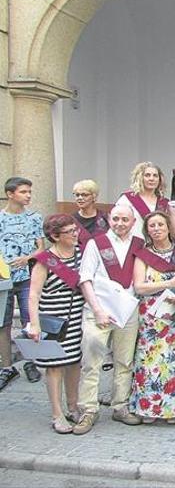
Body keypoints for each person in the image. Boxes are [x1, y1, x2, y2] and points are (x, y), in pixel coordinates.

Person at [73, 204, 144, 434]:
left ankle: (120, 405)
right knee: (92, 360)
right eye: (116, 219)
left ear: (133, 222)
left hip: (127, 310)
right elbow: (85, 278)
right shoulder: (96, 244)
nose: (120, 223)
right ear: (109, 220)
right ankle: (88, 409)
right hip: (99, 310)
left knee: (125, 360)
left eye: (125, 219)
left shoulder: (139, 244)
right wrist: (97, 309)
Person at [26, 214, 85, 433]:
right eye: (70, 232)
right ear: (55, 236)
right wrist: (34, 324)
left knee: (75, 362)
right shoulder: (45, 260)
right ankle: (57, 413)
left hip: (77, 317)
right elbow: (34, 294)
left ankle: (73, 405)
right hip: (53, 320)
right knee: (55, 367)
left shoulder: (81, 253)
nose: (75, 234)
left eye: (75, 230)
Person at [130, 211, 175, 424]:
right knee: (149, 361)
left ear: (168, 227)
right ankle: (148, 409)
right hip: (152, 317)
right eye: (152, 225)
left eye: (160, 224)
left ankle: (172, 409)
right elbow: (140, 286)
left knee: (174, 361)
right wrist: (168, 284)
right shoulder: (143, 254)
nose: (156, 229)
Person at [1, 177, 45, 389]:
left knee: (30, 320)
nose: (28, 195)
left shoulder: (34, 218)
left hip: (27, 275)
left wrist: (27, 258)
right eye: (23, 192)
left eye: (29, 191)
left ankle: (30, 361)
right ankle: (7, 367)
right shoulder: (0, 218)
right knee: (4, 322)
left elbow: (41, 248)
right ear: (10, 194)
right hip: (4, 277)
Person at [115, 162, 170, 239]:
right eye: (147, 175)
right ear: (140, 178)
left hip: (156, 247)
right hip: (132, 244)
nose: (151, 179)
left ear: (160, 179)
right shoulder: (127, 199)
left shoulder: (164, 203)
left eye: (155, 176)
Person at [71, 180, 109, 251]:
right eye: (77, 195)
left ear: (94, 196)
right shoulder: (70, 220)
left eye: (84, 195)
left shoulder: (105, 218)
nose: (80, 198)